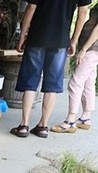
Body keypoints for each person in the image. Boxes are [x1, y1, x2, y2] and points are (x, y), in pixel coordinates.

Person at [10, 0, 91, 139]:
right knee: (51, 86)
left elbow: (30, 7)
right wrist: (74, 39)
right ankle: (43, 126)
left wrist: (22, 35)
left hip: (37, 38)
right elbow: (83, 12)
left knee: (30, 81)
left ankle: (24, 125)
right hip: (60, 41)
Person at [51, 7, 98, 133]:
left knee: (75, 82)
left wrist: (83, 50)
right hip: (93, 48)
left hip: (92, 48)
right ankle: (85, 117)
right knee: (88, 80)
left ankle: (70, 120)